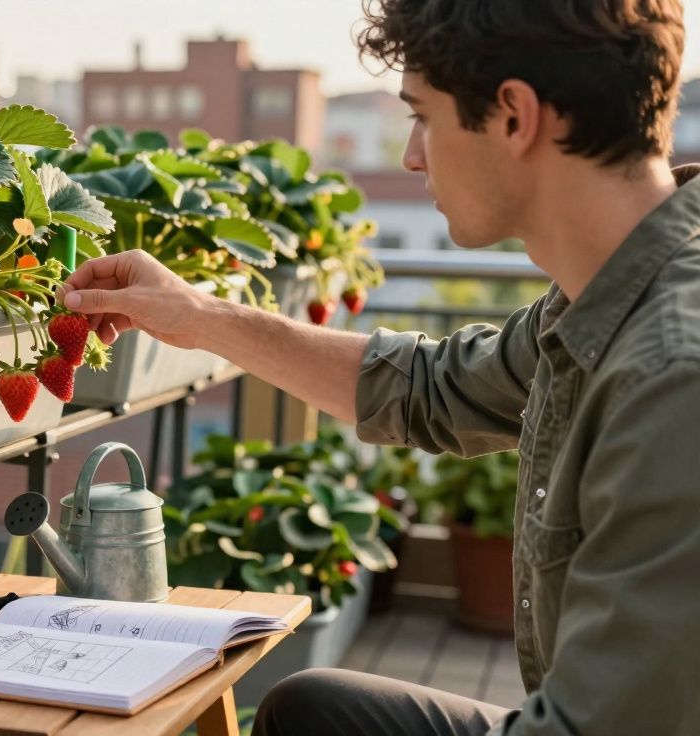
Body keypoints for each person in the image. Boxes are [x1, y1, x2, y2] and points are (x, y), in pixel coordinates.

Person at [57, 1, 700, 734]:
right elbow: (432, 389)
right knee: (314, 711)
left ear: (515, 117)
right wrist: (200, 317)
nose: (412, 156)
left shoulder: (674, 375)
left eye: (423, 116)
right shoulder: (602, 297)